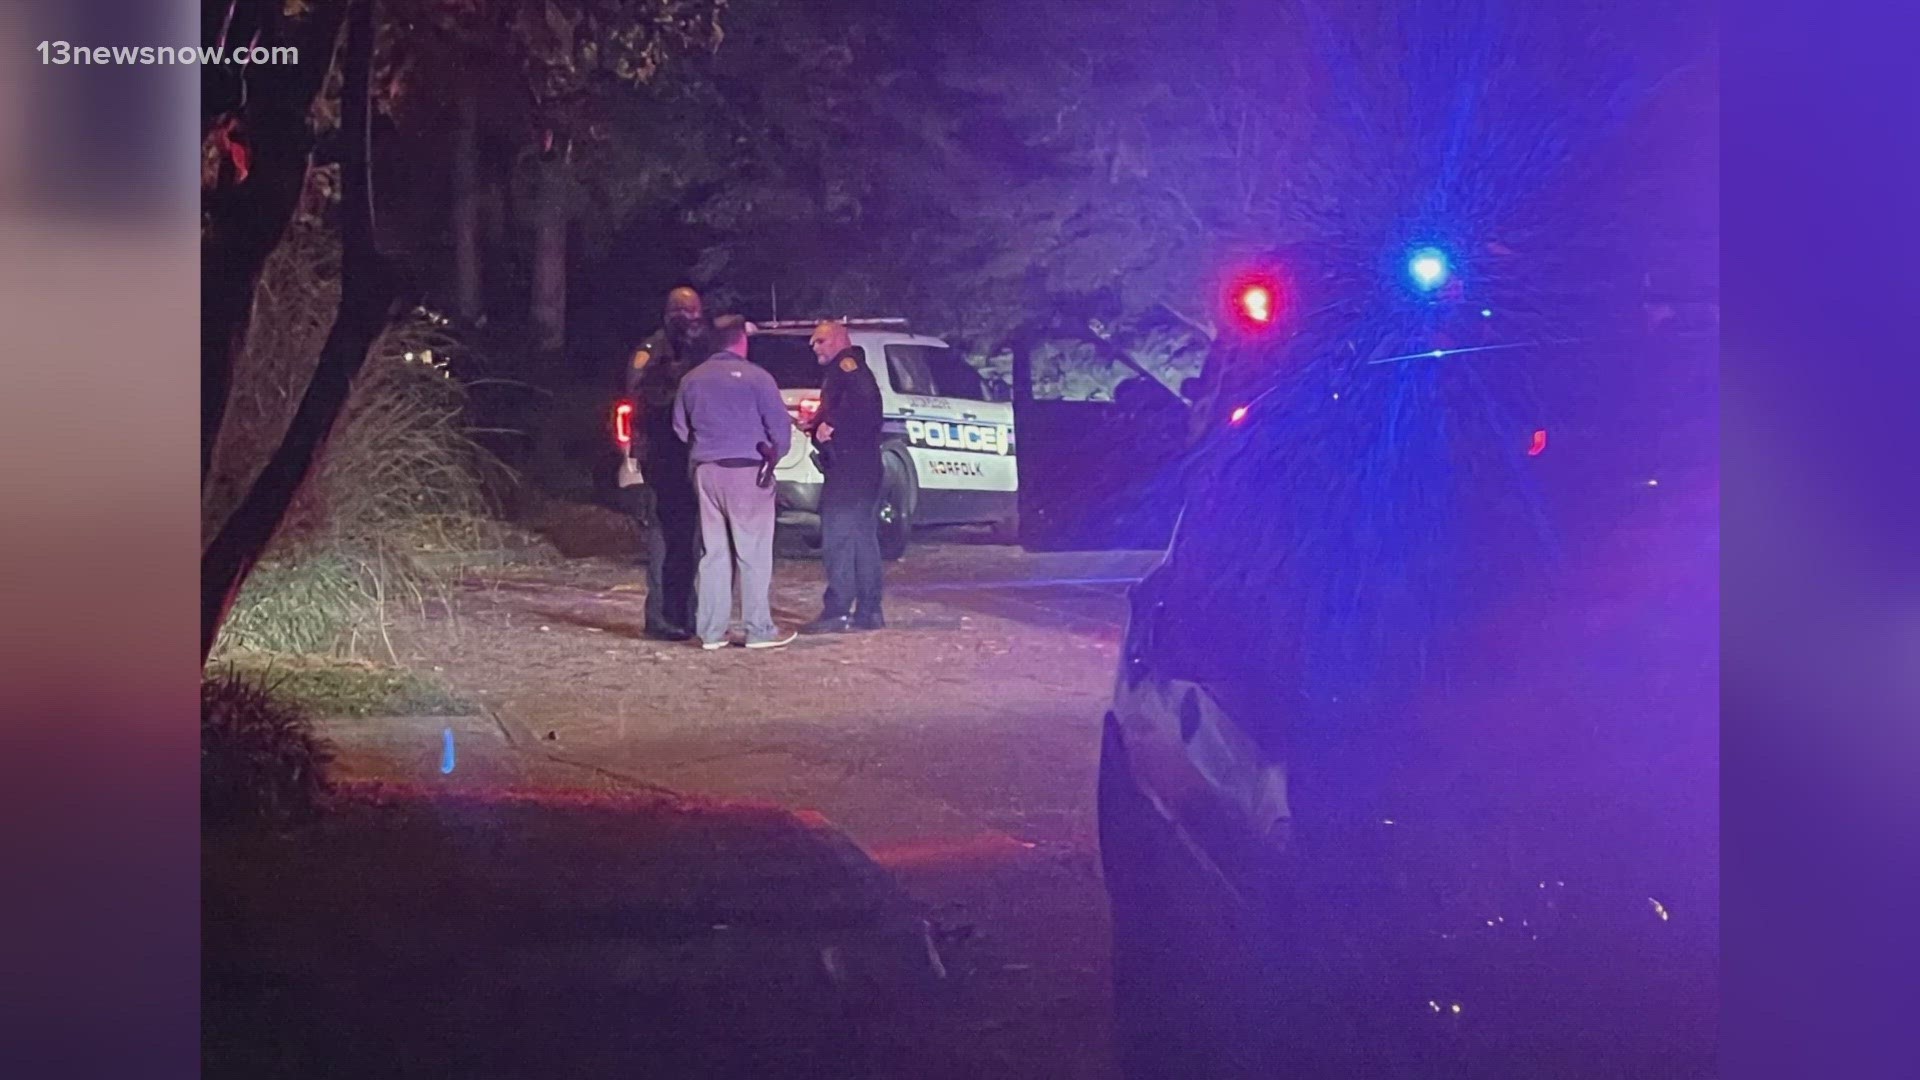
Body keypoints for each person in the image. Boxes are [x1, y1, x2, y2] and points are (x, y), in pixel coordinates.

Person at [671, 315, 796, 651]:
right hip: (748, 471)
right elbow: (780, 432)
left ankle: (711, 631)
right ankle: (758, 630)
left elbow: (681, 429)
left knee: (714, 552)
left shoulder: (691, 380)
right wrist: (775, 457)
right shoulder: (758, 378)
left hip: (707, 471)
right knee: (753, 553)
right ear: (741, 340)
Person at [622, 286, 706, 641]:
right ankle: (659, 618)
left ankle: (686, 614)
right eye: (683, 313)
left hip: (690, 459)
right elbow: (640, 398)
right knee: (662, 541)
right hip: (659, 458)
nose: (690, 320)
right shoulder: (651, 352)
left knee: (689, 541)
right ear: (670, 313)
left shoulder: (700, 352)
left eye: (694, 313)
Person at [798, 321, 886, 634]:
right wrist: (816, 424)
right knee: (862, 537)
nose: (814, 347)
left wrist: (830, 426)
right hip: (862, 467)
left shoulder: (848, 369)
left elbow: (868, 409)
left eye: (820, 341)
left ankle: (837, 610)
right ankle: (869, 610)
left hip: (850, 468)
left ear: (838, 340)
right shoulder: (847, 370)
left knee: (837, 538)